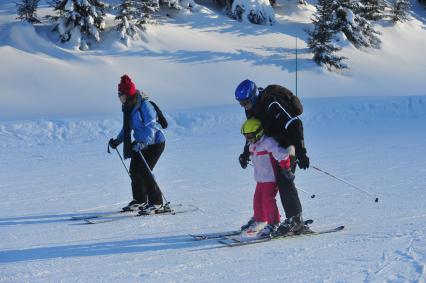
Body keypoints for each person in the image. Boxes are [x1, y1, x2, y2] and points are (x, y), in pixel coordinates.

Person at [235, 79, 310, 236]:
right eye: (241, 103)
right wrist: (246, 152)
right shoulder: (251, 108)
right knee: (269, 184)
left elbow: (296, 125)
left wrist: (301, 152)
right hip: (272, 145)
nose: (244, 106)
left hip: (289, 143)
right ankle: (262, 218)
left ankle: (296, 220)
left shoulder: (271, 103)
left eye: (246, 102)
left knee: (284, 180)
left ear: (254, 95)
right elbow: (252, 129)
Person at [109, 74, 167, 214]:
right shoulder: (128, 107)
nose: (119, 97)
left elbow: (151, 126)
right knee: (134, 171)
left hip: (154, 143)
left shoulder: (144, 105)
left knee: (144, 171)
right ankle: (140, 200)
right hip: (139, 144)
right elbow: (127, 127)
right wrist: (118, 140)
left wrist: (144, 142)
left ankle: (157, 202)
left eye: (120, 94)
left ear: (127, 94)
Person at [239, 118, 294, 239]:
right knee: (257, 200)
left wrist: (286, 169)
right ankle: (260, 221)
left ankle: (274, 223)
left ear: (258, 133)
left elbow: (282, 154)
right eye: (246, 137)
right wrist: (244, 157)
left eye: (250, 136)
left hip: (271, 178)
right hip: (260, 179)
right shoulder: (253, 145)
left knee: (267, 199)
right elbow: (250, 153)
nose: (248, 140)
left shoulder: (268, 142)